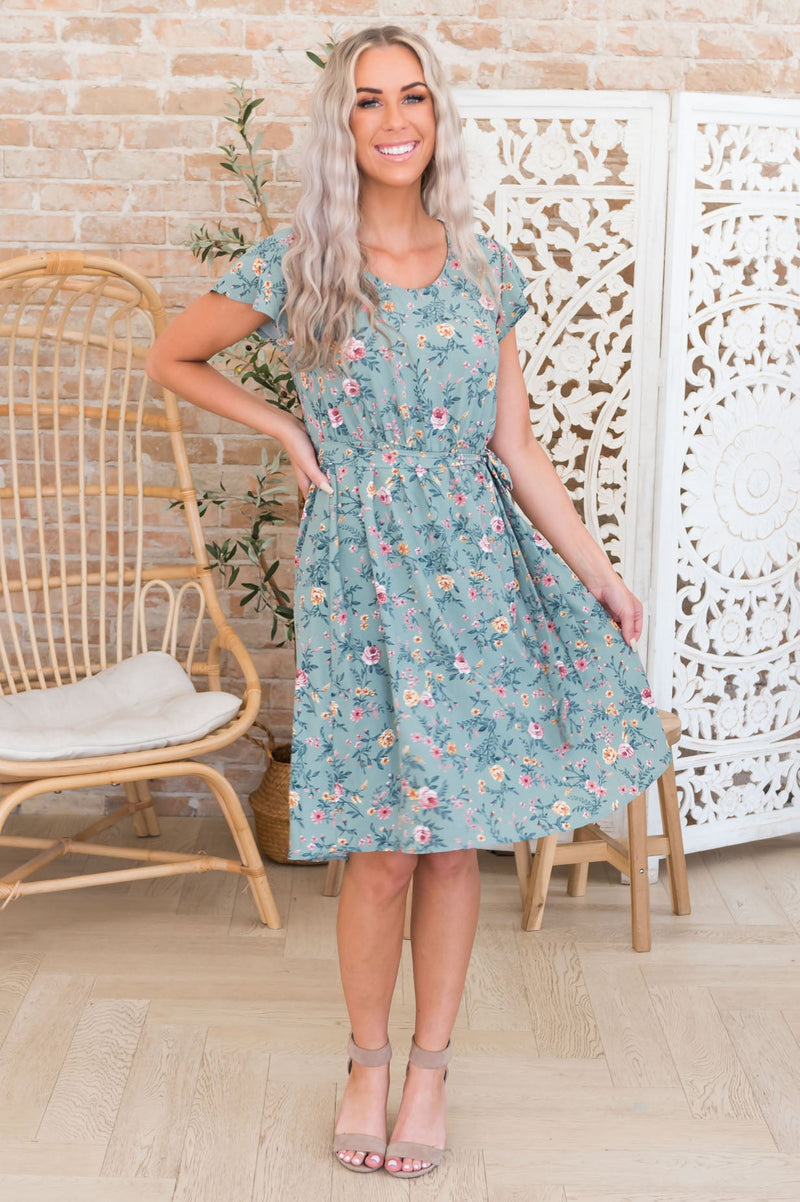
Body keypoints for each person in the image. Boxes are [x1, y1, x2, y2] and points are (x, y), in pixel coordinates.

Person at [147, 24, 672, 1179]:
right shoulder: (301, 261)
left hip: (475, 576)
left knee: (449, 845)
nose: (394, 120)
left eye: (413, 97)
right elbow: (173, 356)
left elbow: (516, 448)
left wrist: (597, 571)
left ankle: (430, 1070)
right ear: (341, 124)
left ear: (437, 117)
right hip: (361, 580)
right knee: (380, 846)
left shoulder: (483, 267)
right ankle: (366, 1062)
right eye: (369, 100)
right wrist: (286, 428)